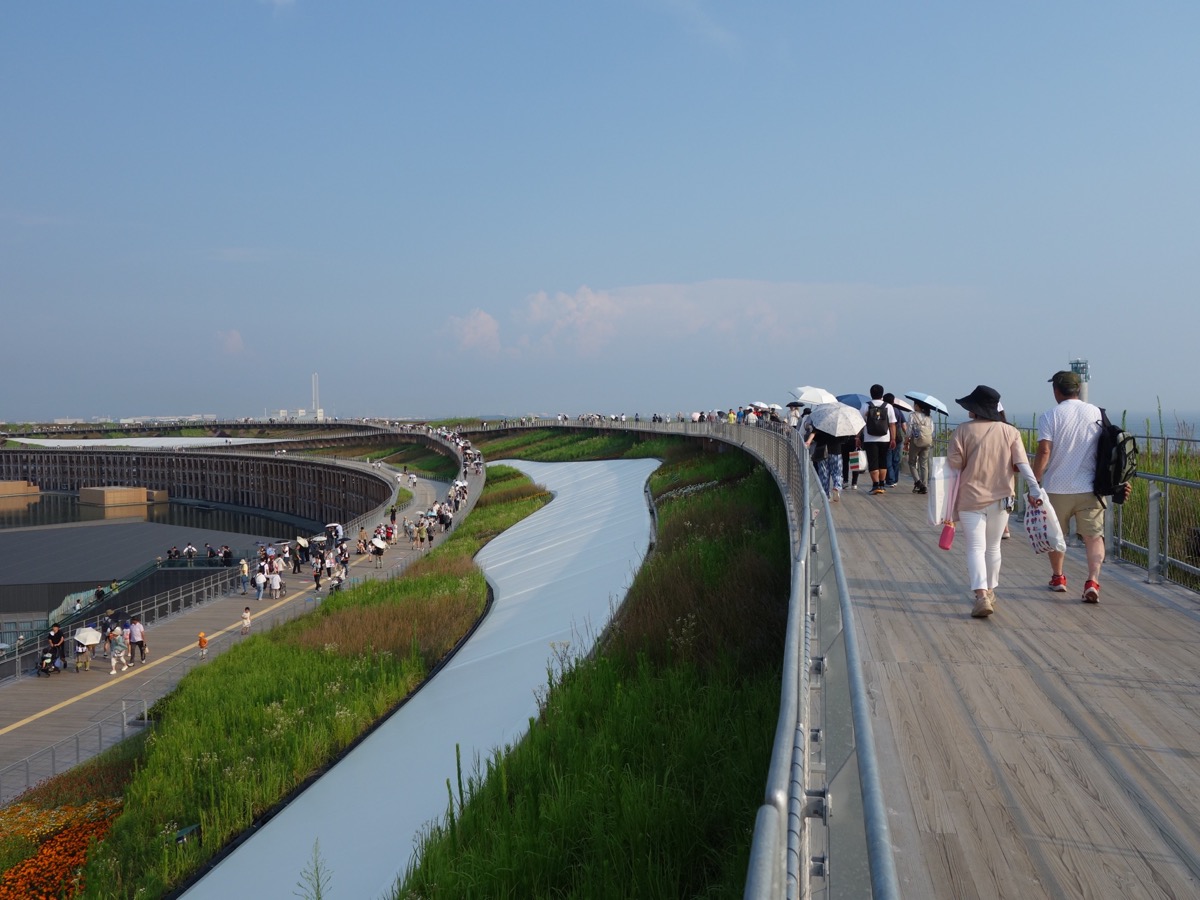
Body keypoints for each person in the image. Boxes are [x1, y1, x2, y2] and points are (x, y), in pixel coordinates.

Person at [947, 385, 1046, 618]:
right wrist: (1035, 489)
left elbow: (953, 465)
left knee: (975, 547)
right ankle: (990, 591)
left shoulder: (962, 431)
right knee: (993, 547)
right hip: (1002, 499)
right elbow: (1022, 464)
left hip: (970, 497)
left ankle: (981, 595)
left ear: (975, 408)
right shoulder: (1010, 432)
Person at [1031, 370, 1128, 604]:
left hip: (1057, 488)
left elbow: (1044, 451)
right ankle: (1092, 581)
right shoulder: (1097, 412)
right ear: (1078, 388)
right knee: (1094, 537)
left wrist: (1034, 482)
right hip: (1089, 488)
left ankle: (1058, 578)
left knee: (1056, 535)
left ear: (1056, 390)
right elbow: (1110, 449)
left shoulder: (1049, 416)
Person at [860, 384, 897, 495]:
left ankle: (875, 485)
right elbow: (892, 425)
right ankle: (882, 484)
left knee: (873, 462)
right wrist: (893, 439)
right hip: (885, 438)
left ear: (871, 393)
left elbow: (860, 423)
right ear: (882, 394)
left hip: (869, 438)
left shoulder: (865, 406)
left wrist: (857, 437)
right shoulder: (888, 406)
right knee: (883, 462)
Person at [906, 400, 935, 494]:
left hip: (916, 441)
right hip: (927, 442)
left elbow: (909, 430)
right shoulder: (929, 417)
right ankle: (925, 485)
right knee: (924, 464)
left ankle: (918, 482)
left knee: (912, 462)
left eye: (914, 405)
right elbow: (932, 430)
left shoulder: (912, 415)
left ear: (917, 406)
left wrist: (906, 441)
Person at [883, 393, 907, 487]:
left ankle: (890, 480)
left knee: (888, 459)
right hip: (899, 438)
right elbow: (904, 425)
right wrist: (907, 436)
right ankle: (895, 479)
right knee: (896, 460)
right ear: (893, 401)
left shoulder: (884, 410)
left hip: (888, 437)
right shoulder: (898, 411)